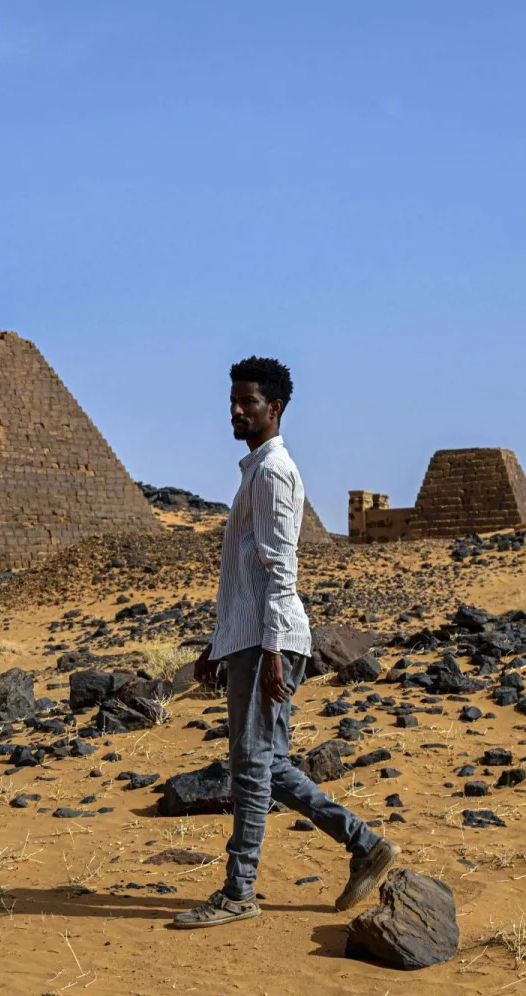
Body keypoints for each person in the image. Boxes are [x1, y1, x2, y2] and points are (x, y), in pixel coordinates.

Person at [171, 356, 399, 929]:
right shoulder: (255, 471)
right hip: (251, 639)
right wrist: (218, 643)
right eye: (233, 401)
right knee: (266, 764)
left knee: (250, 764)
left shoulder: (272, 473)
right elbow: (243, 577)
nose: (237, 410)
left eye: (248, 402)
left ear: (275, 408)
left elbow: (280, 568)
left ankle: (239, 891)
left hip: (270, 642)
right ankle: (364, 844)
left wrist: (271, 649)